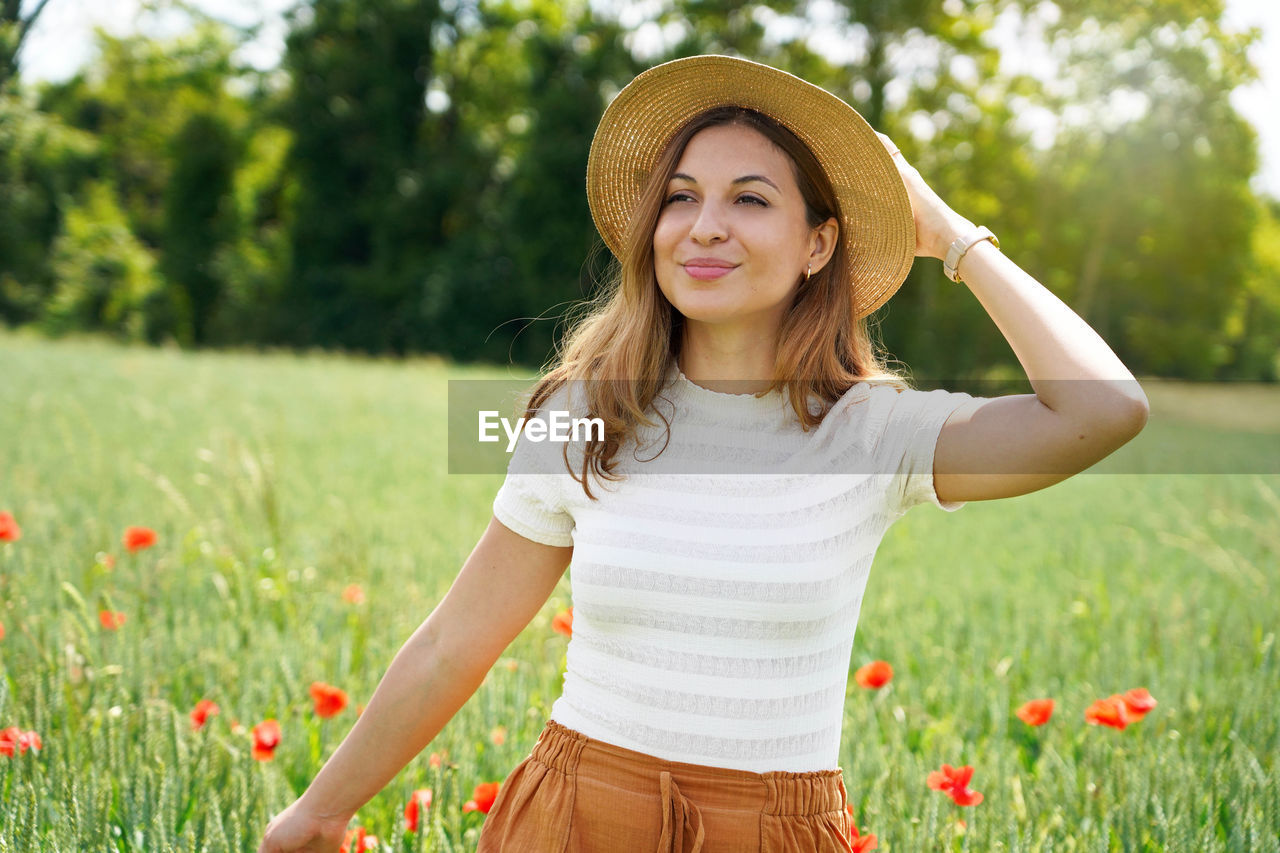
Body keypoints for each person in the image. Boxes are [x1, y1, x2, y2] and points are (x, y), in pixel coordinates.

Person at [258, 54, 1148, 853]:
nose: (704, 226)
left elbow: (1105, 411)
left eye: (750, 199)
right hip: (572, 821)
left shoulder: (873, 433)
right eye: (681, 196)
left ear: (818, 244)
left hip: (773, 832)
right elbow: (457, 640)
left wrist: (951, 234)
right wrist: (320, 811)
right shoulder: (584, 416)